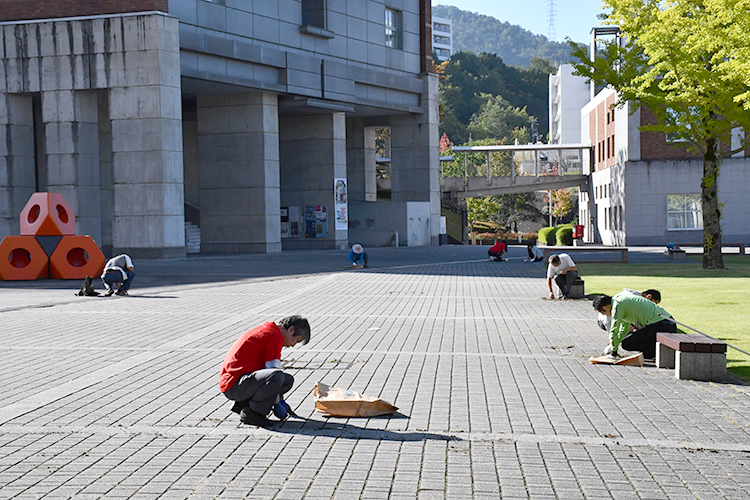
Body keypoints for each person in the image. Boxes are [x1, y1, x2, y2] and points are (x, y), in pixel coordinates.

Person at [220, 315, 311, 427]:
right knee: (277, 377)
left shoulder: (270, 330)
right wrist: (277, 402)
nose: (293, 345)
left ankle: (244, 405)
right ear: (291, 329)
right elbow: (273, 371)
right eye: (296, 340)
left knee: (286, 380)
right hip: (234, 384)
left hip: (237, 381)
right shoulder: (273, 336)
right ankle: (252, 414)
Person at [592, 293, 676, 359]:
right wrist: (614, 345)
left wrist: (613, 352)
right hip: (666, 323)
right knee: (626, 341)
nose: (606, 316)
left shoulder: (618, 305)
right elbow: (623, 329)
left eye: (603, 313)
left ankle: (656, 354)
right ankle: (653, 354)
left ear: (606, 308)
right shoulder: (619, 299)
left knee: (628, 343)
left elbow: (615, 328)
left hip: (663, 325)